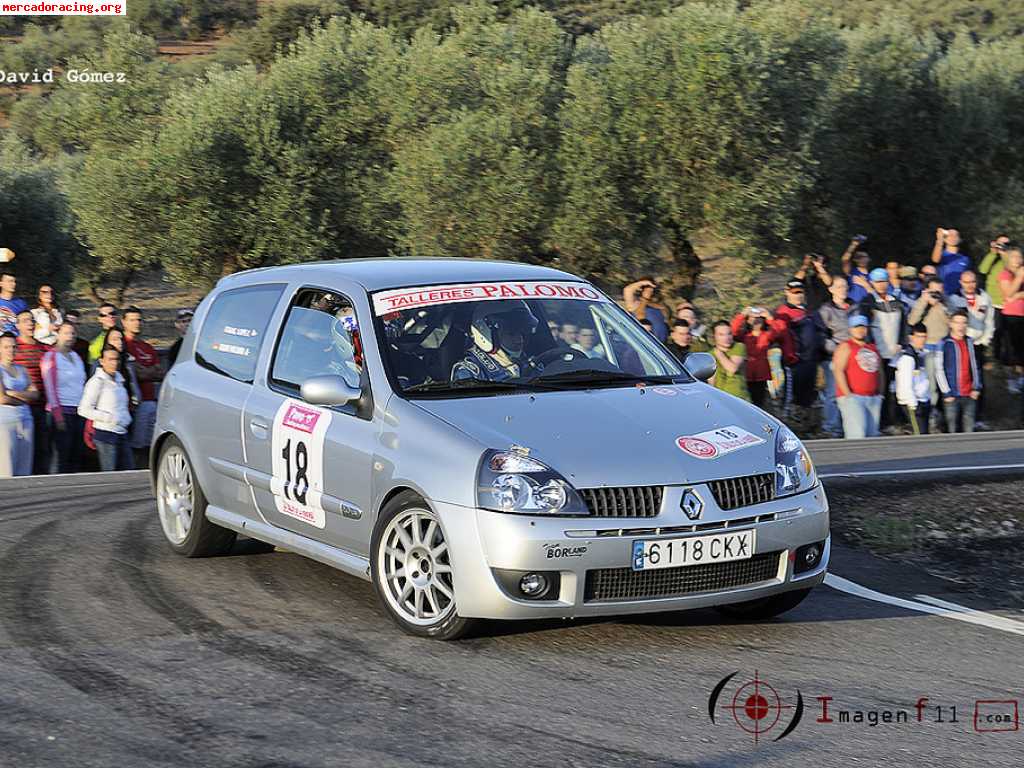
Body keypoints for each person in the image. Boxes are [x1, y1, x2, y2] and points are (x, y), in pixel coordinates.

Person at [860, 267, 906, 432]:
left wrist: (902, 343)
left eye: (884, 281)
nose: (881, 285)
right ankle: (877, 423)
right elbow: (863, 327)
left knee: (893, 390)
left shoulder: (897, 302)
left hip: (894, 353)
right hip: (876, 352)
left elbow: (903, 326)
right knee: (878, 389)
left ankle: (891, 422)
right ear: (872, 283)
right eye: (878, 282)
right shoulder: (867, 302)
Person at [948, 270, 995, 428]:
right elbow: (952, 321)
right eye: (966, 282)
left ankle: (978, 418)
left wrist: (984, 340)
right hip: (961, 343)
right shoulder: (954, 297)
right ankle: (958, 419)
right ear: (961, 282)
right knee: (959, 378)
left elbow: (989, 322)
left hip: (977, 344)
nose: (970, 285)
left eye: (972, 282)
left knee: (978, 380)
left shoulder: (984, 297)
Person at [452, 301, 541, 382]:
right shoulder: (469, 373)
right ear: (486, 333)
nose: (519, 339)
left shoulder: (530, 363)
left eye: (521, 333)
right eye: (511, 333)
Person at [773, 280, 823, 425]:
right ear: (787, 292)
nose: (798, 296)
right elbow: (779, 334)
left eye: (800, 292)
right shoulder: (782, 312)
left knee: (807, 396)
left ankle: (805, 425)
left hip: (811, 360)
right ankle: (786, 424)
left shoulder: (808, 311)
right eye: (795, 293)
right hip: (795, 361)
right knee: (790, 396)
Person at [78, 345, 134, 471]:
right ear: (102, 361)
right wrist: (108, 418)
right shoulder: (96, 382)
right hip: (106, 434)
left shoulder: (120, 380)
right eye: (110, 359)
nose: (114, 363)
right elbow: (83, 409)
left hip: (122, 431)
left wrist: (126, 419)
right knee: (111, 472)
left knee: (129, 470)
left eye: (116, 359)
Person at [41, 322, 87, 473]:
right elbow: (50, 388)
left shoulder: (76, 357)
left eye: (73, 333)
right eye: (66, 333)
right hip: (61, 413)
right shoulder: (51, 357)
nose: (70, 336)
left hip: (78, 412)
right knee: (60, 456)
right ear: (58, 334)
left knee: (76, 455)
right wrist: (58, 416)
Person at [908, 276, 952, 427]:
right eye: (934, 291)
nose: (936, 294)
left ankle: (946, 416)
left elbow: (953, 321)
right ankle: (931, 414)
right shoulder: (921, 302)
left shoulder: (946, 302)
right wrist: (924, 302)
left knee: (946, 382)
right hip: (928, 346)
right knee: (930, 384)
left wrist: (942, 304)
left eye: (939, 290)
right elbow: (912, 321)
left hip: (943, 346)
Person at [122, 306, 163, 465]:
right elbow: (135, 374)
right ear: (124, 322)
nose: (136, 323)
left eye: (139, 319)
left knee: (150, 445)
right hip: (134, 404)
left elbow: (159, 373)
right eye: (132, 320)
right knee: (136, 446)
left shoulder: (147, 347)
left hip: (151, 401)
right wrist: (147, 371)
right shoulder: (123, 344)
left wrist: (144, 370)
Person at [832, 314, 882, 439]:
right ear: (850, 329)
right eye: (856, 327)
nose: (860, 330)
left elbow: (880, 371)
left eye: (863, 327)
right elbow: (838, 371)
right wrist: (848, 395)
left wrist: (880, 394)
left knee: (872, 436)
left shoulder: (872, 348)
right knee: (857, 436)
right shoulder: (845, 346)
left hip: (872, 397)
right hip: (853, 397)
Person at [816, 279, 855, 437]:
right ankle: (831, 427)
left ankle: (849, 426)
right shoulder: (826, 310)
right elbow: (821, 334)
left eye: (845, 286)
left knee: (851, 391)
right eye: (839, 287)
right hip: (834, 357)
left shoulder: (855, 306)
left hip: (854, 356)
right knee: (833, 393)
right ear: (831, 289)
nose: (842, 289)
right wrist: (838, 349)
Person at [13, 310, 50, 474]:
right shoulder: (12, 348)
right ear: (17, 325)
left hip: (42, 406)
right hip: (18, 407)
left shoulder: (44, 349)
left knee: (42, 448)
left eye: (32, 320)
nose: (30, 323)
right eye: (25, 320)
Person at [935, 310, 981, 433]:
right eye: (957, 323)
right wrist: (946, 392)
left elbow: (975, 366)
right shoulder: (943, 343)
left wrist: (976, 387)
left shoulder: (970, 342)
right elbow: (939, 369)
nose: (961, 326)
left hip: (969, 393)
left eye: (964, 323)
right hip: (951, 394)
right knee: (952, 430)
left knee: (969, 429)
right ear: (951, 324)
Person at [0, 332, 38, 476]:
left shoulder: (23, 370)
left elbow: (35, 394)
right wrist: (24, 398)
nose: (11, 350)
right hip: (5, 422)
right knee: (6, 467)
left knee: (24, 468)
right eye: (6, 347)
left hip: (26, 420)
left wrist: (12, 393)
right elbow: (2, 399)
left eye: (14, 347)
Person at [730, 307, 783, 408]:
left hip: (761, 374)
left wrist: (769, 317)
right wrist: (742, 315)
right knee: (746, 403)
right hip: (747, 374)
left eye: (759, 318)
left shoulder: (767, 335)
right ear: (748, 320)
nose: (756, 321)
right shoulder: (744, 336)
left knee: (759, 404)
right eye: (752, 318)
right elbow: (733, 331)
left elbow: (779, 332)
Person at [978, 235, 1010, 363]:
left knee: (1007, 333)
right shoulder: (993, 258)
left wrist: (1004, 253)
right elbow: (983, 269)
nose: (1002, 246)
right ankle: (995, 357)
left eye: (1006, 243)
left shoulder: (1011, 257)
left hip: (1007, 302)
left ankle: (1008, 359)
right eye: (1000, 243)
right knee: (994, 330)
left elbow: (1011, 268)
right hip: (992, 302)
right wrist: (992, 253)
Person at [895, 324, 932, 435]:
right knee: (919, 435)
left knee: (924, 434)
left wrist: (927, 397)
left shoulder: (921, 354)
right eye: (918, 336)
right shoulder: (907, 358)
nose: (921, 340)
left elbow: (923, 379)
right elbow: (905, 384)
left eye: (924, 337)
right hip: (913, 403)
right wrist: (912, 404)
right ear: (911, 337)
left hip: (922, 400)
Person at [997, 245, 1024, 395]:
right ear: (1008, 257)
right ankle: (1010, 380)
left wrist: (1019, 296)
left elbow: (1015, 295)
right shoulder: (1005, 274)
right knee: (1010, 349)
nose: (1017, 260)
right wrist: (1019, 277)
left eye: (1019, 257)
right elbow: (1007, 293)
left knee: (1022, 350)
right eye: (1013, 256)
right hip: (1010, 316)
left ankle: (1021, 378)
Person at [709, 321, 749, 401]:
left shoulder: (738, 347)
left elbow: (732, 368)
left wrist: (718, 353)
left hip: (740, 398)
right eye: (721, 335)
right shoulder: (709, 354)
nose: (726, 338)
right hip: (721, 398)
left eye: (729, 334)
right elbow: (711, 381)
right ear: (714, 336)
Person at [931, 227, 971, 296]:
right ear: (945, 239)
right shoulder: (942, 255)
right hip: (944, 295)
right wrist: (939, 240)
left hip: (960, 296)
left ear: (960, 239)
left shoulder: (965, 259)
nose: (953, 237)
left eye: (956, 235)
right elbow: (935, 259)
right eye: (950, 235)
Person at [840, 236, 872, 304]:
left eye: (863, 257)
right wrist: (853, 245)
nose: (860, 259)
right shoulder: (852, 272)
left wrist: (865, 284)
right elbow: (845, 260)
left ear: (869, 259)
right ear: (854, 259)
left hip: (868, 308)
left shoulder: (873, 275)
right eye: (858, 257)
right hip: (852, 307)